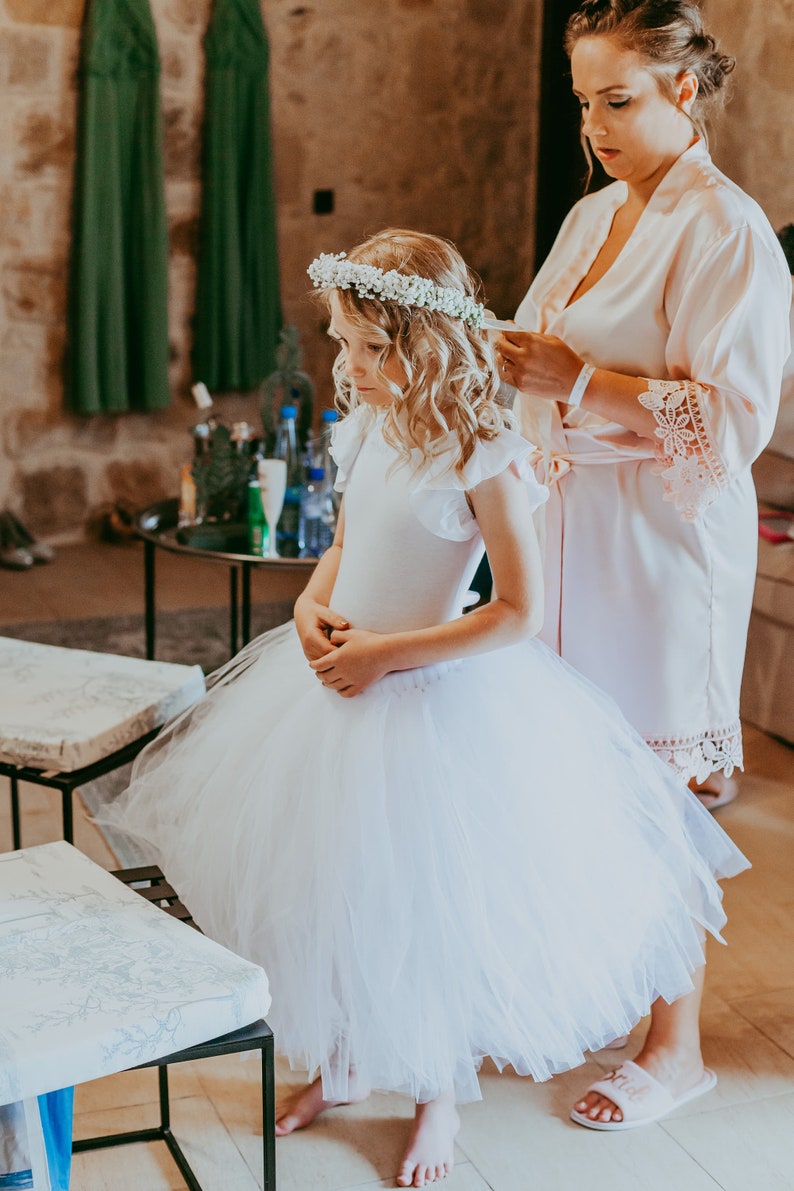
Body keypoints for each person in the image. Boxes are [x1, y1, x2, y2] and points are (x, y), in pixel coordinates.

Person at [108, 229, 748, 1185]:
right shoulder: (366, 427)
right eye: (343, 342)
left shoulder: (482, 451)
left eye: (372, 347)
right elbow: (344, 544)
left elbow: (518, 612)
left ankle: (437, 1100)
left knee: (424, 910)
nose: (350, 366)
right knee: (329, 885)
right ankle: (342, 1061)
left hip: (431, 705)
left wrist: (386, 658)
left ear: (427, 345)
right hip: (330, 690)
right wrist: (309, 604)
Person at [494, 0, 791, 1131]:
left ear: (683, 91)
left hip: (662, 555)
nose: (595, 126)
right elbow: (535, 366)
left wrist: (571, 380)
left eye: (615, 100)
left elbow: (727, 426)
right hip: (566, 532)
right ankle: (599, 996)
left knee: (653, 799)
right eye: (582, 103)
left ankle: (673, 1051)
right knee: (576, 787)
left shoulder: (727, 232)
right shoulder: (586, 220)